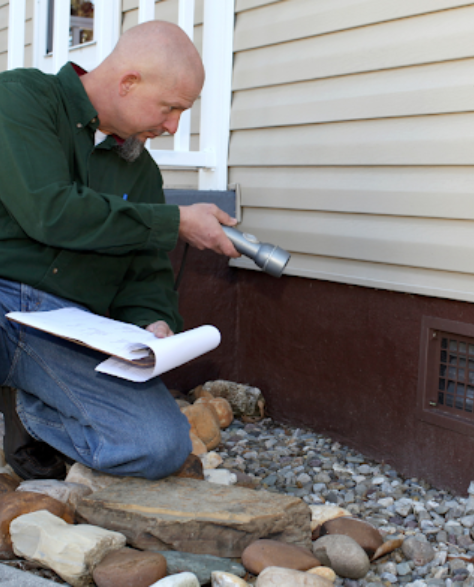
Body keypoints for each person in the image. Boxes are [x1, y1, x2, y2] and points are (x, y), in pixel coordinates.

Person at [0, 20, 238, 481]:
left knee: (160, 446)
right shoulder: (21, 97)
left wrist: (153, 321)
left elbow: (146, 273)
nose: (172, 126)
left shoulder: (142, 172)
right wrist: (176, 221)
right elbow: (50, 211)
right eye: (170, 108)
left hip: (63, 329)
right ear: (128, 82)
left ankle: (31, 417)